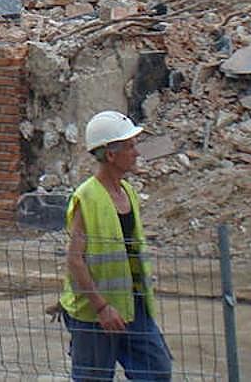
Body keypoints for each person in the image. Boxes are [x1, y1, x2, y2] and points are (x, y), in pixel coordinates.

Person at [59, 111, 172, 381]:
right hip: (94, 313)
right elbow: (75, 260)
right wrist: (101, 307)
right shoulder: (87, 197)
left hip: (132, 305)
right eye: (130, 146)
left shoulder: (128, 193)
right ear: (110, 154)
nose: (137, 152)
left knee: (157, 370)